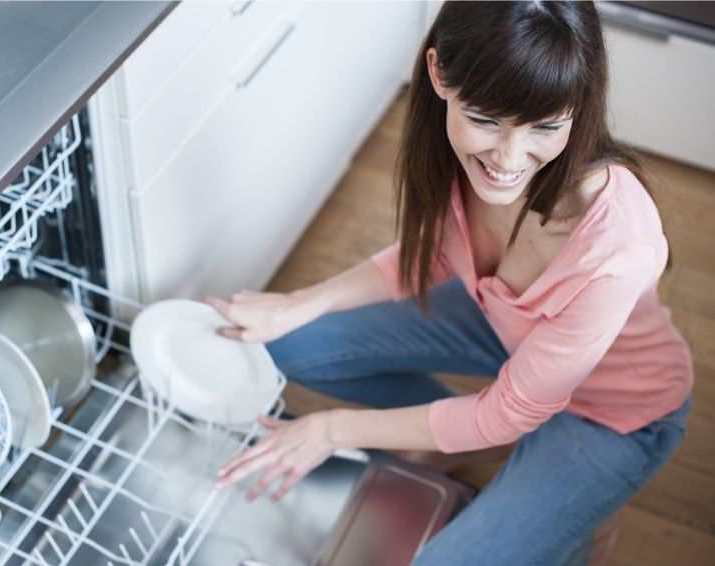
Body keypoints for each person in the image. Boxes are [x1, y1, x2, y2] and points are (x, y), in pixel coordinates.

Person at [205, 2, 694, 564]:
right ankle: (466, 446)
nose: (510, 161)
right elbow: (436, 252)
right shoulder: (451, 152)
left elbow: (507, 410)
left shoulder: (617, 244)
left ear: (577, 104)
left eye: (545, 126)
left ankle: (570, 502)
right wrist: (295, 305)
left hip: (615, 411)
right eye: (486, 119)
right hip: (504, 326)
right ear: (439, 74)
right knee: (284, 343)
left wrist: (332, 431)